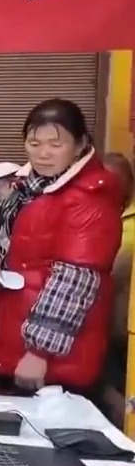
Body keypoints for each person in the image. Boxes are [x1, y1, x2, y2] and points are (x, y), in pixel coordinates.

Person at [0, 99, 122, 397]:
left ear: (79, 145)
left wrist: (39, 351)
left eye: (55, 144)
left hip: (57, 355)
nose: (43, 153)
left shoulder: (91, 198)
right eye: (34, 143)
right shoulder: (25, 189)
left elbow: (75, 279)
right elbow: (1, 237)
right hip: (14, 331)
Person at [102, 152, 134, 423]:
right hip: (107, 325)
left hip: (124, 325)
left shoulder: (129, 222)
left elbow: (114, 270)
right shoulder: (105, 214)